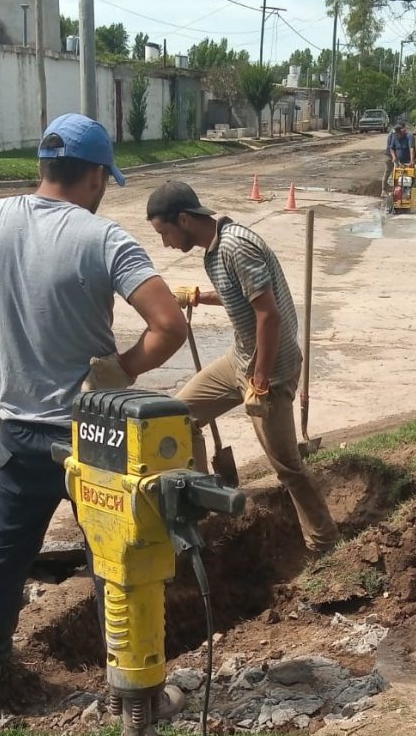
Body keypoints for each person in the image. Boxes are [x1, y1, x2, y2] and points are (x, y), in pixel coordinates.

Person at [0, 113, 188, 695]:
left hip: (19, 429)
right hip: (94, 435)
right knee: (114, 554)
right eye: (103, 181)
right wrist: (123, 369)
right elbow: (169, 325)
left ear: (43, 167)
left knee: (6, 549)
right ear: (93, 176)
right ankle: (128, 675)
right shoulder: (103, 238)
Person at [145, 180, 339, 554]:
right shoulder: (214, 251)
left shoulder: (235, 247)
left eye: (165, 233)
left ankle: (325, 543)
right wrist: (200, 296)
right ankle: (200, 506)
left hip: (271, 369)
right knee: (177, 418)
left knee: (287, 468)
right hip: (240, 360)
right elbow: (245, 297)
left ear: (184, 219)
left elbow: (269, 316)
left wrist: (261, 380)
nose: (166, 243)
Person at [383, 120, 416, 195]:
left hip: (408, 161)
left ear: (401, 132)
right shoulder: (395, 137)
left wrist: (412, 161)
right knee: (397, 179)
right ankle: (396, 195)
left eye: (397, 134)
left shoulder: (409, 136)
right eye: (395, 134)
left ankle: (409, 195)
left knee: (409, 179)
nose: (396, 136)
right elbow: (392, 148)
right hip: (399, 162)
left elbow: (411, 148)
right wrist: (394, 157)